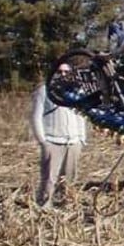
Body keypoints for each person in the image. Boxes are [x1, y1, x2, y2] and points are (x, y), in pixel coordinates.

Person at [30, 64, 87, 208]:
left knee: (69, 178)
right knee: (49, 179)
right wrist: (43, 141)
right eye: (59, 71)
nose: (63, 74)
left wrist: (81, 139)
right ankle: (45, 208)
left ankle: (65, 207)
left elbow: (81, 116)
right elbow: (36, 117)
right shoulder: (44, 91)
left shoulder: (76, 91)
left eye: (66, 71)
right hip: (52, 141)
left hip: (73, 142)